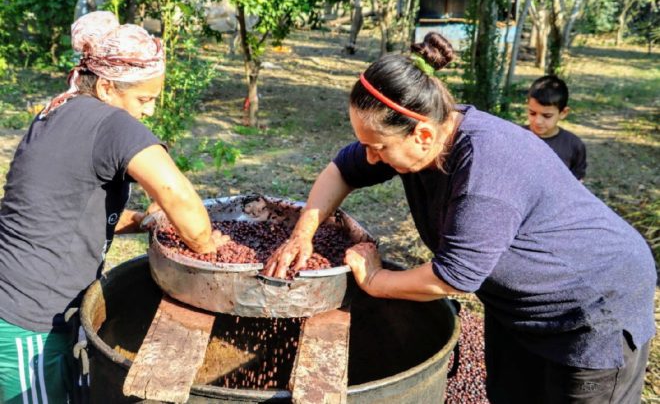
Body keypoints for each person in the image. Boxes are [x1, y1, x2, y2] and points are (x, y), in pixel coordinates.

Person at [264, 33, 656, 403]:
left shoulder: (483, 171)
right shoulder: (420, 137)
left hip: (591, 307)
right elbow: (341, 170)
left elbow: (453, 276)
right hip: (519, 307)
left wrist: (377, 281)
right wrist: (303, 235)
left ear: (421, 134)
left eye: (377, 148)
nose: (369, 157)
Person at [0, 11, 224, 403]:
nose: (149, 111)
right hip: (26, 317)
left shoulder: (60, 111)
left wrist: (141, 220)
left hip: (36, 305)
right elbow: (180, 198)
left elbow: (65, 210)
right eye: (144, 99)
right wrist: (210, 253)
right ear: (106, 87)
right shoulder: (111, 124)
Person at [526, 75, 587, 180]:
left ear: (563, 113)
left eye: (547, 116)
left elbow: (577, 182)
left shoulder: (574, 146)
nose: (538, 121)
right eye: (532, 113)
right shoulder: (515, 136)